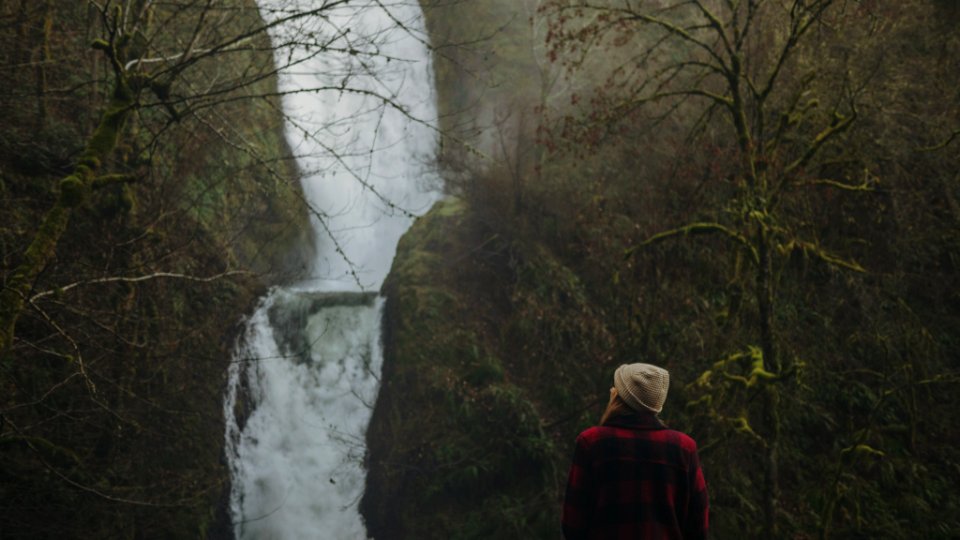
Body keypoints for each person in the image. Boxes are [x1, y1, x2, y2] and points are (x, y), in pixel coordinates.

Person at [561, 363, 709, 539]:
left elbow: (573, 522)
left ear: (618, 397)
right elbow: (698, 523)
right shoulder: (684, 448)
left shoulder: (592, 443)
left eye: (615, 387)